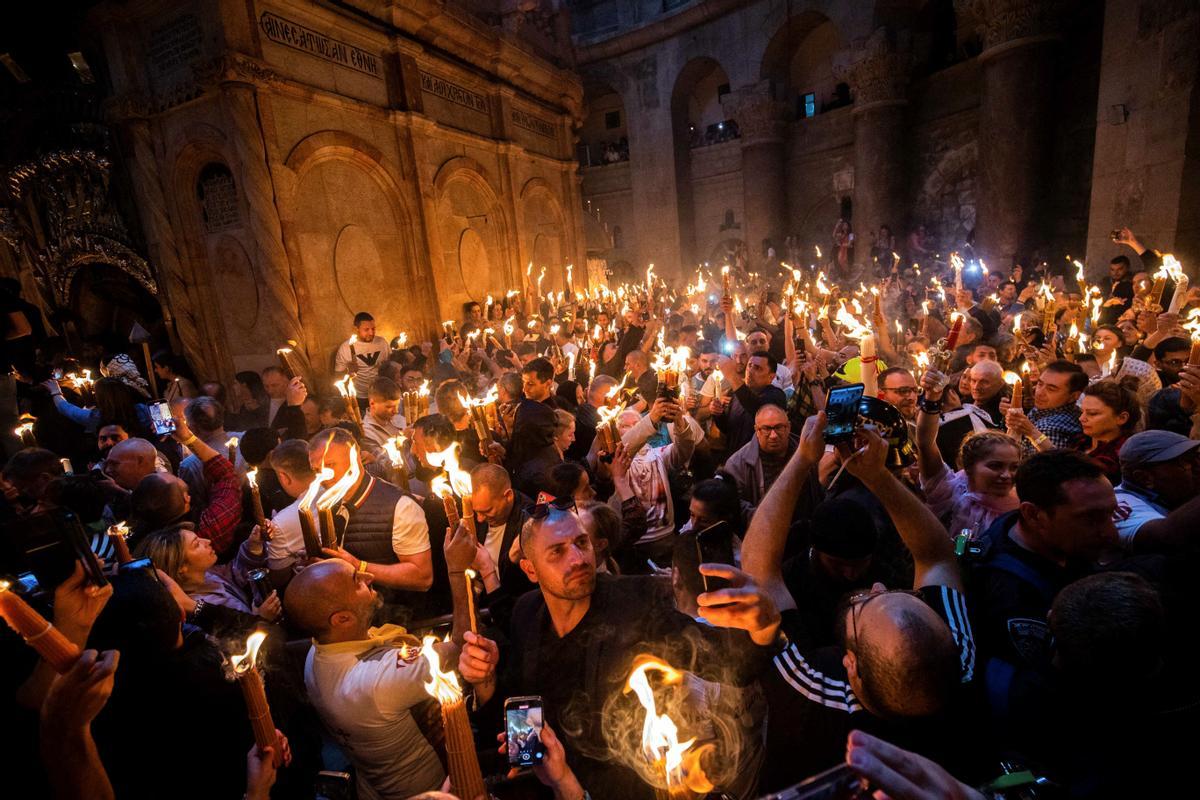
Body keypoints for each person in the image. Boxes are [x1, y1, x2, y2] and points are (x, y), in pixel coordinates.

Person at [459, 500, 780, 799]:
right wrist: (486, 685)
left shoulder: (637, 603)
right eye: (557, 551)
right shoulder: (526, 611)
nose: (578, 558)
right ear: (530, 569)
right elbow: (523, 700)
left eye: (581, 543)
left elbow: (731, 666)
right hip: (543, 782)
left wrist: (763, 626)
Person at [742, 416, 978, 791]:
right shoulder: (960, 662)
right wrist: (879, 476)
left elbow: (759, 571)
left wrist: (803, 458)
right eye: (896, 593)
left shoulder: (816, 690)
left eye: (866, 604)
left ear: (850, 665)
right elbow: (937, 557)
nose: (876, 584)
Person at [283, 517, 482, 800]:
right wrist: (457, 570)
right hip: (433, 789)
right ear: (341, 619)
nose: (369, 577)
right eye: (357, 581)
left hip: (374, 787)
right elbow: (464, 647)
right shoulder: (376, 681)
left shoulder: (317, 652)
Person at [969, 451, 1119, 713]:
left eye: (1111, 514)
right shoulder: (1009, 595)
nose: (1110, 532)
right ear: (1034, 515)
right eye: (1091, 519)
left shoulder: (1034, 534)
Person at [136, 521, 281, 630]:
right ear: (181, 568)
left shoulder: (208, 574)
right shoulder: (195, 612)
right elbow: (233, 643)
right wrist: (261, 620)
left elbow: (234, 573)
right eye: (196, 544)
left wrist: (253, 545)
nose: (208, 542)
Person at [618, 396, 695, 564]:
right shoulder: (614, 462)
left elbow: (684, 449)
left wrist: (679, 421)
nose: (634, 429)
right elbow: (623, 448)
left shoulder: (658, 454)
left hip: (664, 538)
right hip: (632, 542)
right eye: (625, 426)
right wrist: (650, 419)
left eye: (637, 424)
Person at [1112, 430, 1200, 551]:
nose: (1196, 466)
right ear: (1145, 478)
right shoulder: (1119, 504)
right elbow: (1166, 537)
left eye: (1196, 457)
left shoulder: (1172, 493)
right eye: (1184, 462)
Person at [722, 404, 795, 521]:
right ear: (757, 430)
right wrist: (763, 519)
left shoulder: (805, 453)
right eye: (766, 429)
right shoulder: (737, 463)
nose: (773, 435)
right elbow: (732, 503)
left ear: (789, 427)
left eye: (779, 427)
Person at [712, 350, 787, 453]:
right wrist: (718, 413)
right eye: (749, 365)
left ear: (771, 377)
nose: (750, 371)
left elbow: (756, 408)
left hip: (758, 461)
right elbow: (728, 428)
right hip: (735, 458)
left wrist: (731, 375)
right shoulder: (735, 393)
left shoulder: (776, 395)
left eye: (757, 368)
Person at [1006, 360, 1086, 451]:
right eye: (1040, 384)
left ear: (1074, 396)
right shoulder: (1048, 408)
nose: (1040, 392)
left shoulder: (1049, 429)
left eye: (1051, 389)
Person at [1073, 380, 1140, 484]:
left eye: (1092, 413)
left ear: (1122, 418)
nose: (1081, 418)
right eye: (1082, 412)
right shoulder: (1080, 441)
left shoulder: (1122, 455)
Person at [334, 312, 390, 397]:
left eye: (373, 328)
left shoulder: (382, 342)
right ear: (356, 329)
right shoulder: (345, 348)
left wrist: (385, 366)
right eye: (366, 329)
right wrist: (348, 371)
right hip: (359, 395)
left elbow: (391, 364)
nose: (371, 333)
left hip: (381, 393)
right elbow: (337, 376)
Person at [360, 376, 404, 461]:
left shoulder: (399, 419)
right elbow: (382, 461)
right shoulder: (365, 431)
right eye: (389, 406)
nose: (396, 411)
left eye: (397, 405)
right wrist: (403, 439)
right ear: (372, 403)